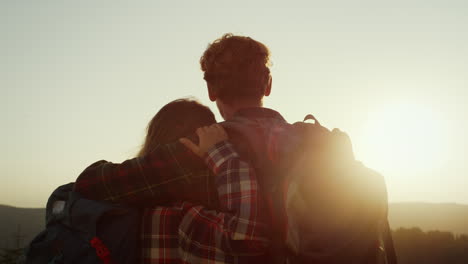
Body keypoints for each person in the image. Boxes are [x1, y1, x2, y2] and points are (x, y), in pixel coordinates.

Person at [75, 34, 296, 262]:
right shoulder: (307, 140)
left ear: (211, 90)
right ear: (268, 84)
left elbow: (91, 183)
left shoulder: (200, 146)